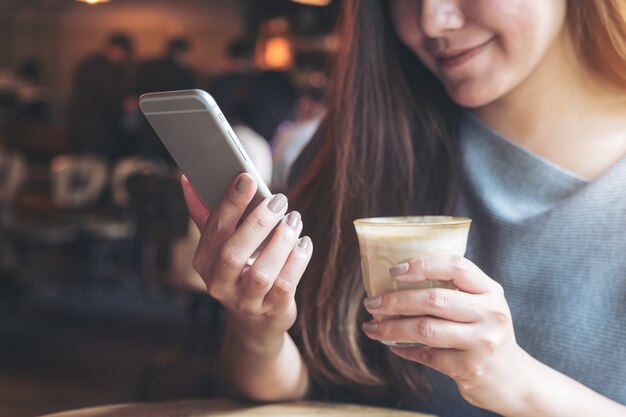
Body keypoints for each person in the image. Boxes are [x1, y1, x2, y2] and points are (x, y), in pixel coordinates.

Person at [182, 1, 626, 416]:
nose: (432, 22)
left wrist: (517, 383)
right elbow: (309, 395)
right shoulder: (364, 146)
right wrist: (258, 329)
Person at [68, 33, 134, 162]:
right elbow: (115, 101)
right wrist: (126, 105)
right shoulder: (109, 70)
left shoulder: (86, 65)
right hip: (103, 133)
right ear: (118, 49)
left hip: (80, 129)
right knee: (99, 171)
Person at [134, 37, 198, 163]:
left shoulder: (147, 68)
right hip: (173, 133)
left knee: (148, 170)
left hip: (148, 129)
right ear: (181, 53)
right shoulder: (185, 74)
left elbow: (136, 95)